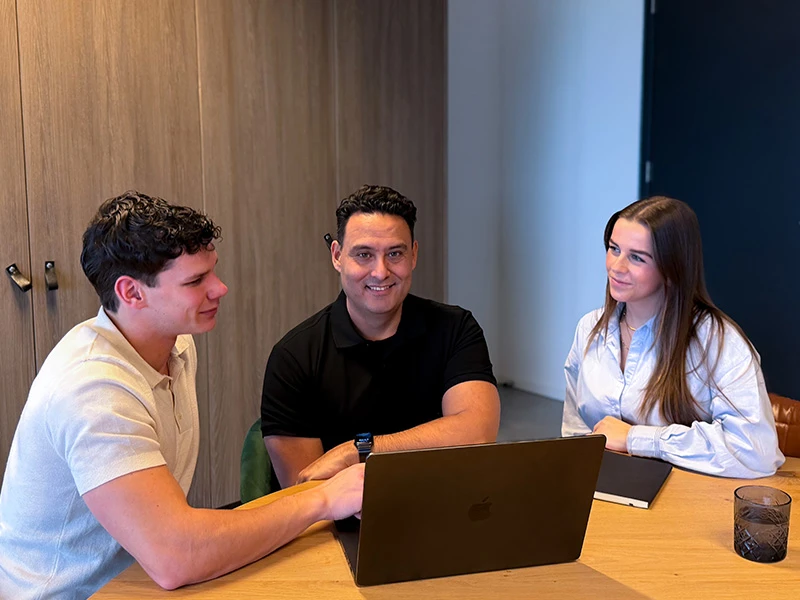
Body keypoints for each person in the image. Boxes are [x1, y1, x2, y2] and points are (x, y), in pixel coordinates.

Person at [0, 191, 364, 599]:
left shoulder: (175, 343)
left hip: (144, 576)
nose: (220, 289)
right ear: (132, 293)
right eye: (195, 281)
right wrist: (324, 498)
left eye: (212, 272)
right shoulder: (92, 389)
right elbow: (177, 557)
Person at [261, 185, 500, 488]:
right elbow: (308, 491)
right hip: (343, 527)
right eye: (363, 255)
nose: (380, 272)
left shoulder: (456, 328)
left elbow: (477, 432)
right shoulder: (294, 357)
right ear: (337, 256)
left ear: (413, 254)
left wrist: (359, 449)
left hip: (444, 508)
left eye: (395, 254)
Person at [562, 196, 784, 478]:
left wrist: (636, 439)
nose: (616, 267)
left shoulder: (717, 342)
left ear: (671, 269)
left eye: (636, 257)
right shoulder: (589, 328)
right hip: (603, 494)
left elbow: (756, 452)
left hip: (683, 499)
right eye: (613, 249)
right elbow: (574, 433)